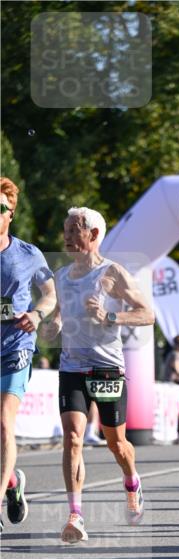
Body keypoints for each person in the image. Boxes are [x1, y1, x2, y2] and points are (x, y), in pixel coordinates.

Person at [39, 206, 154, 542]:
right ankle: (75, 515)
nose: (68, 237)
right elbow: (59, 314)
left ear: (93, 234)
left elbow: (147, 313)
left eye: (75, 230)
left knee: (115, 442)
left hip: (106, 368)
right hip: (72, 365)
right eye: (66, 230)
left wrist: (111, 317)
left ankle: (131, 480)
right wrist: (52, 327)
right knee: (73, 437)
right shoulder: (60, 276)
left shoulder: (112, 273)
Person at [0, 176, 57, 532]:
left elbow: (50, 294)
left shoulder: (28, 254)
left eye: (0, 209)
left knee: (5, 421)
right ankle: (12, 483)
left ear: (10, 214)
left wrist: (36, 315)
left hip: (14, 348)